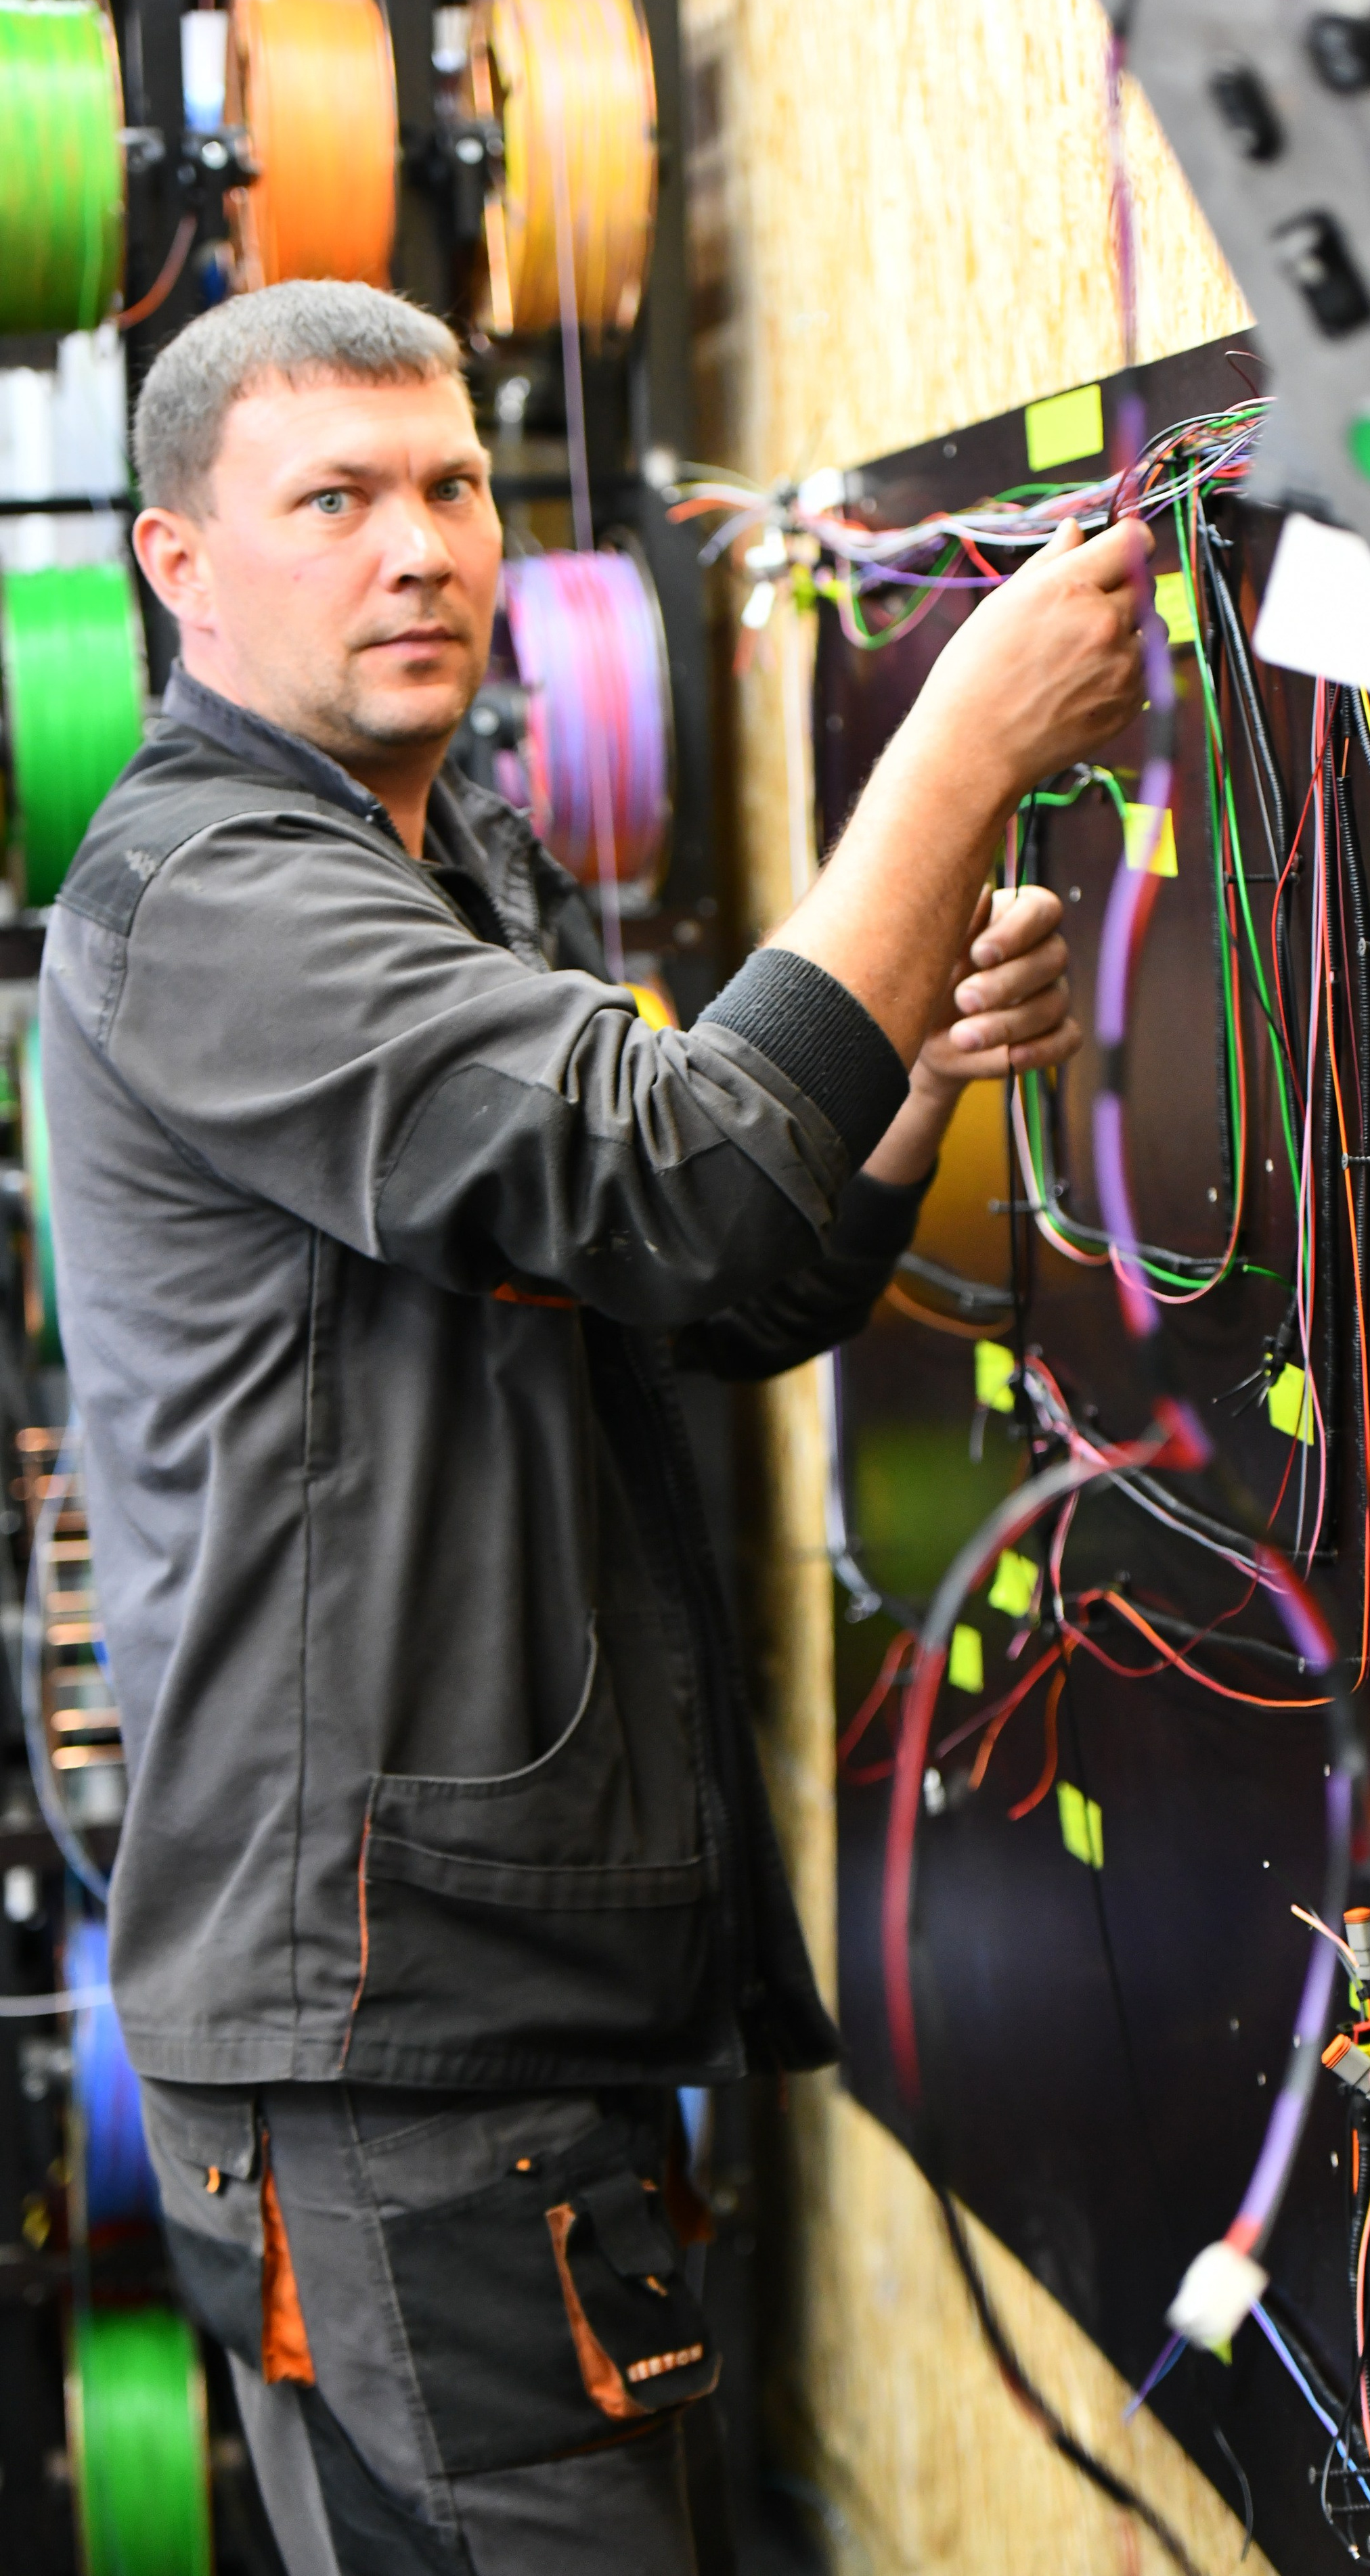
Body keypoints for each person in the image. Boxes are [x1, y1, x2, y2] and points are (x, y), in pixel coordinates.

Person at [39, 281, 1149, 2576]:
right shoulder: (213, 902)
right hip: (389, 2055)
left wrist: (918, 1077)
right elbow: (679, 1165)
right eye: (330, 502)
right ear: (178, 566)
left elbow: (718, 1275)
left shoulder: (461, 863)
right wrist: (953, 749)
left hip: (503, 2029)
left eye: (448, 485)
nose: (420, 548)